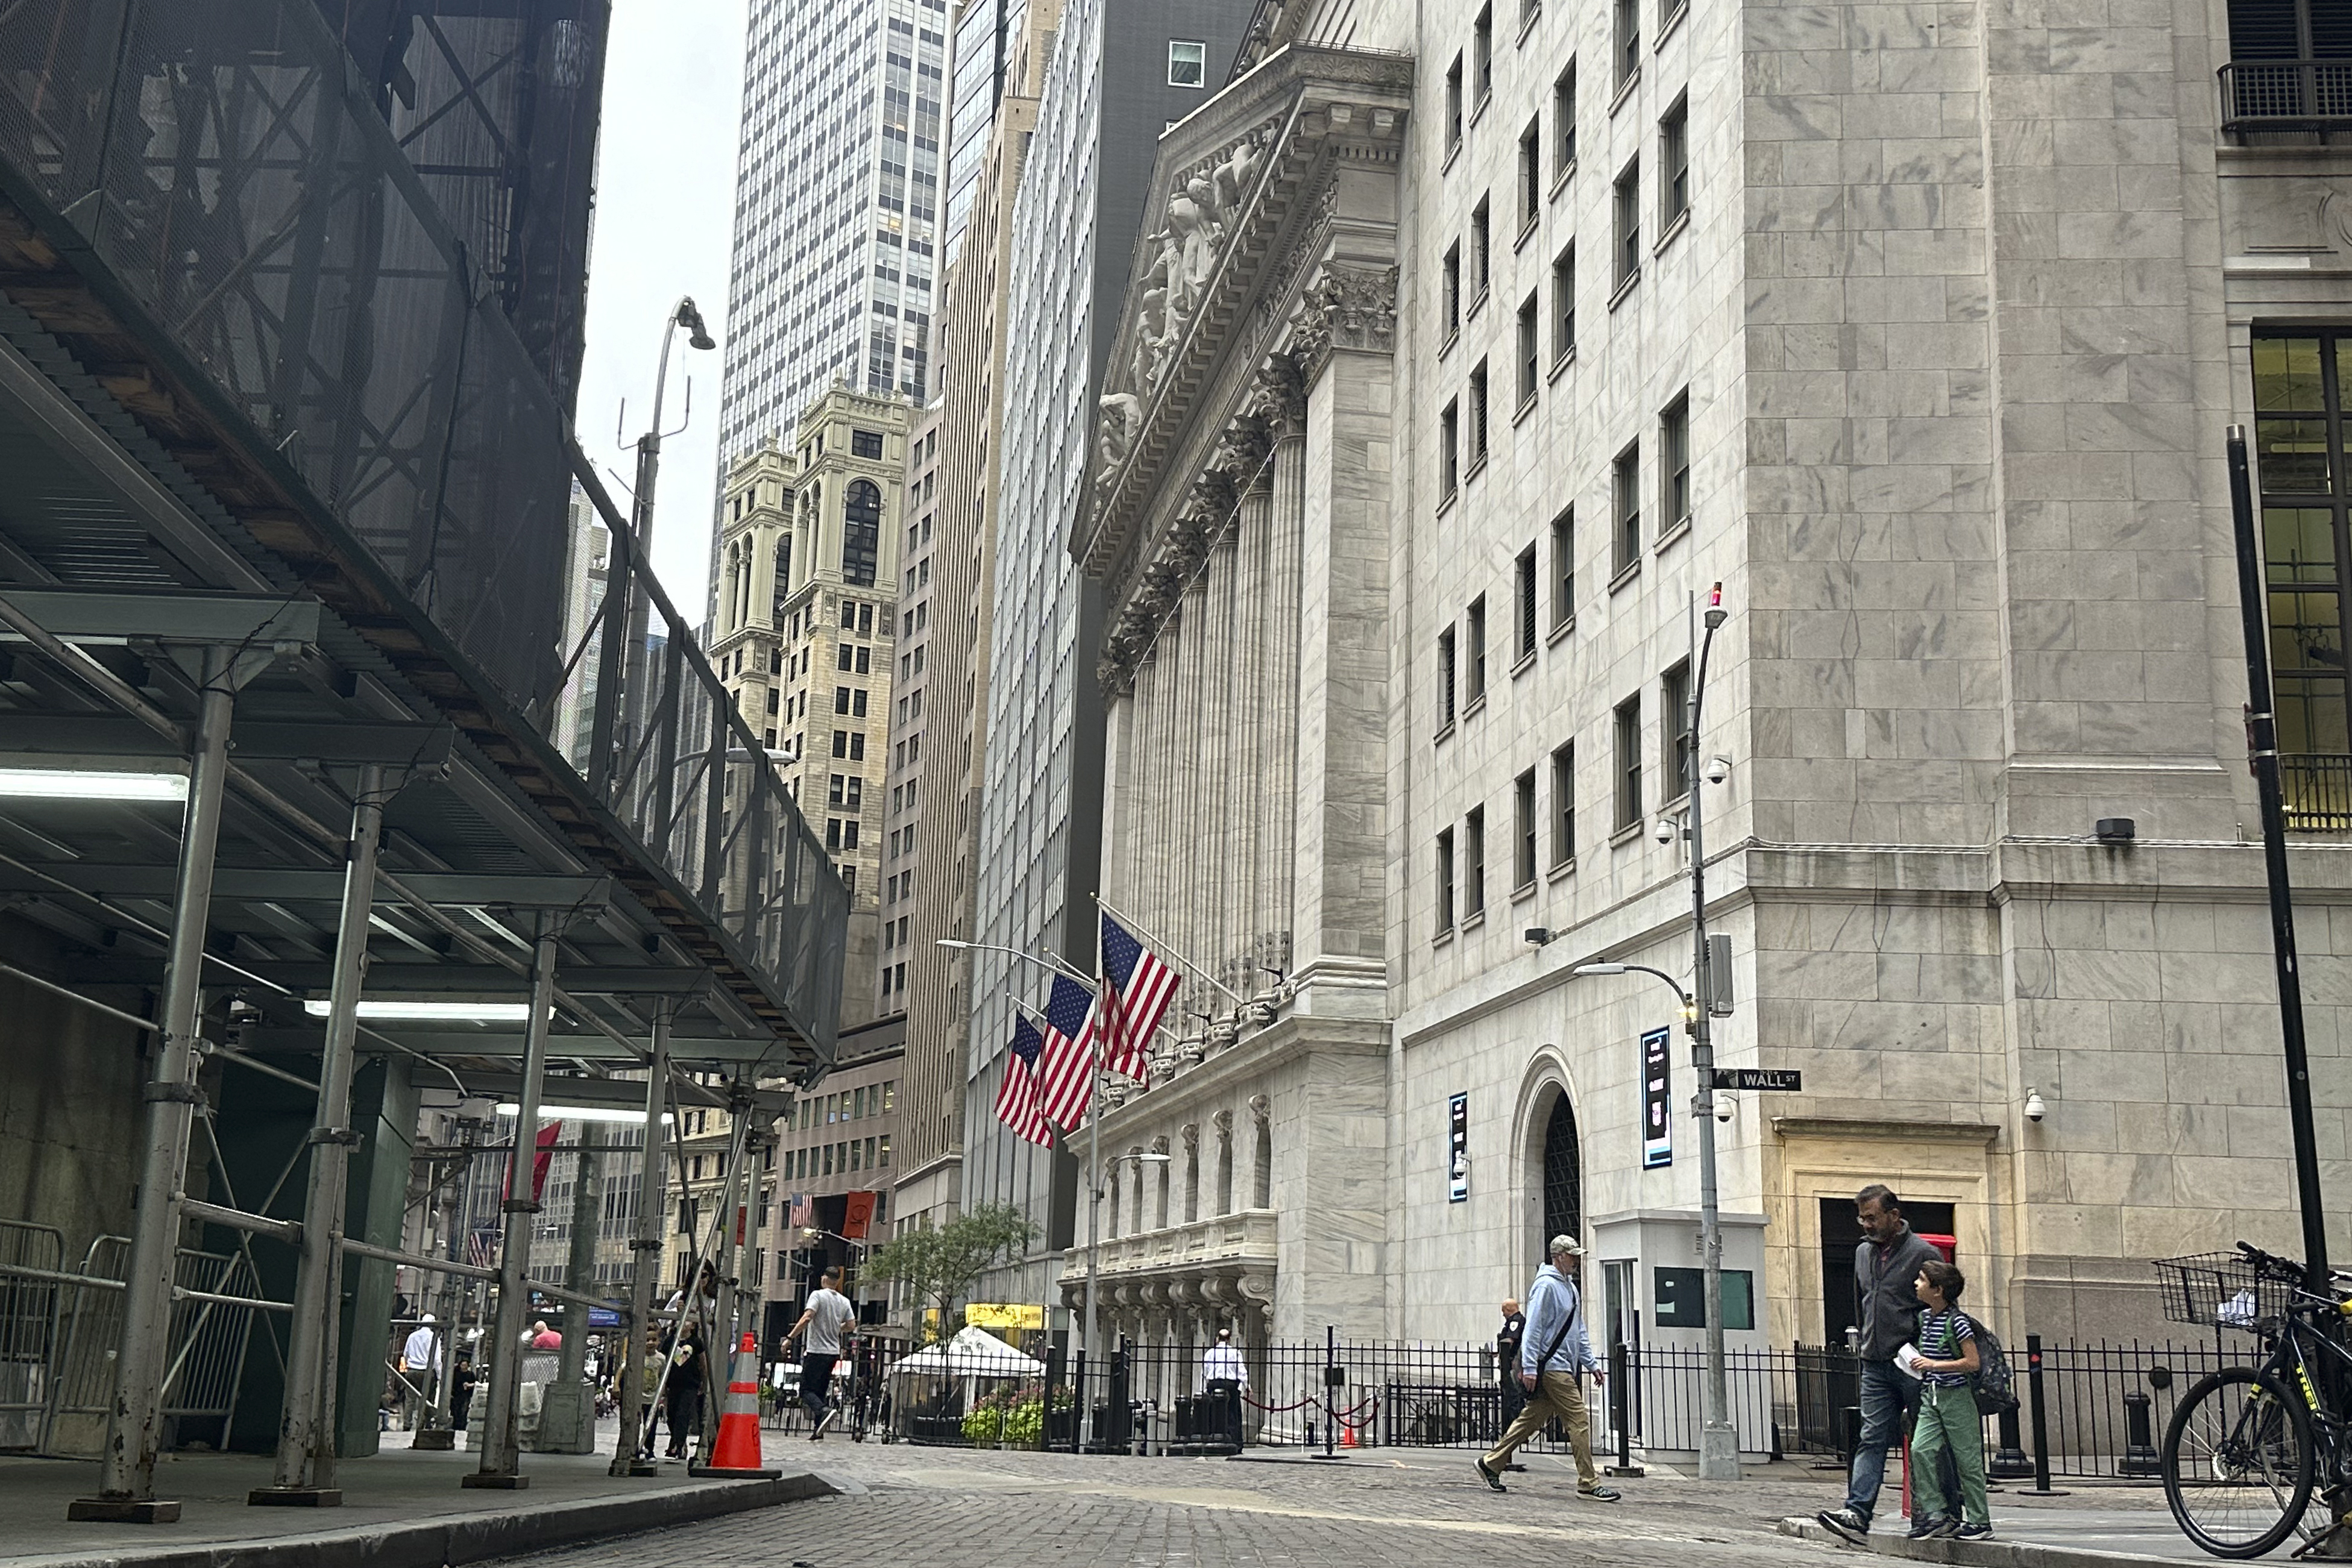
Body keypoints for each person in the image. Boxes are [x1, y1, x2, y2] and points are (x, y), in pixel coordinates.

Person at [1817, 1184, 1945, 1546]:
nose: (1866, 1225)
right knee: (1871, 1437)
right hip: (1875, 1362)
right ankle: (1858, 1512)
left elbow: (1940, 1307)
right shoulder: (1862, 1254)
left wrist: (1926, 1353)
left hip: (1915, 1364)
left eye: (1872, 1217)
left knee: (1924, 1440)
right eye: (1862, 1218)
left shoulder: (1924, 1253)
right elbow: (1865, 1302)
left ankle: (1930, 1512)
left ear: (1894, 1215)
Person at [1476, 1236, 1620, 1501]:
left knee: (1531, 1419)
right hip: (1553, 1367)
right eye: (1572, 1255)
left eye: (1577, 1255)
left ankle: (1491, 1462)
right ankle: (1588, 1482)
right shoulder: (1546, 1286)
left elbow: (1578, 1330)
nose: (1576, 1260)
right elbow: (1533, 1328)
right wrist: (1530, 1367)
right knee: (1579, 1421)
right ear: (1559, 1256)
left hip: (1560, 1365)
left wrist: (1590, 1363)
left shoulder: (1570, 1288)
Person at [1904, 1261, 1993, 1541]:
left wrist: (1933, 1364)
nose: (1916, 1284)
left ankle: (1980, 1521)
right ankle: (1935, 1513)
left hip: (1957, 1398)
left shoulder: (1959, 1322)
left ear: (1938, 1290)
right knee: (1920, 1450)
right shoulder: (1925, 1318)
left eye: (1922, 1280)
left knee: (1967, 1460)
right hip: (1931, 1396)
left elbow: (1972, 1362)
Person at [787, 1267, 858, 1440]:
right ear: (837, 1281)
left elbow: (808, 1317)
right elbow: (851, 1325)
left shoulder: (817, 1296)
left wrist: (790, 1337)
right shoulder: (844, 1301)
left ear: (824, 1279)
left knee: (805, 1390)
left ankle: (823, 1410)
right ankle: (818, 1430)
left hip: (817, 1350)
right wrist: (837, 1328)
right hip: (833, 1352)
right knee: (819, 1391)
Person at [661, 1316, 709, 1460]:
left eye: (688, 1321)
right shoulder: (670, 1341)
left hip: (690, 1385)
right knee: (672, 1415)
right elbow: (663, 1362)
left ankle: (677, 1445)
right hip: (673, 1384)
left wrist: (704, 1382)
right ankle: (676, 1441)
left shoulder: (696, 1343)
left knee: (683, 1414)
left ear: (693, 1326)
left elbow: (703, 1363)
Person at [1201, 1326, 1249, 1449]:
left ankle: (1213, 1437)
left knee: (1213, 1412)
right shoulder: (1235, 1352)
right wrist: (1246, 1385)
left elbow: (1205, 1371)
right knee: (1233, 1414)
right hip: (1230, 1385)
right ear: (1229, 1340)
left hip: (1214, 1384)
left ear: (1218, 1339)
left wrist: (1203, 1388)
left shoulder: (1210, 1353)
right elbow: (1241, 1370)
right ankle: (1235, 1442)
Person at [1495, 1297, 1527, 1445]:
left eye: (1504, 1311)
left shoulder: (1516, 1321)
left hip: (1513, 1365)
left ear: (1509, 1310)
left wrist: (1505, 1354)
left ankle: (1515, 1433)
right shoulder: (1516, 1321)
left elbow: (1511, 1340)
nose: (1503, 1315)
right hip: (1511, 1364)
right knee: (1512, 1398)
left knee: (1514, 1399)